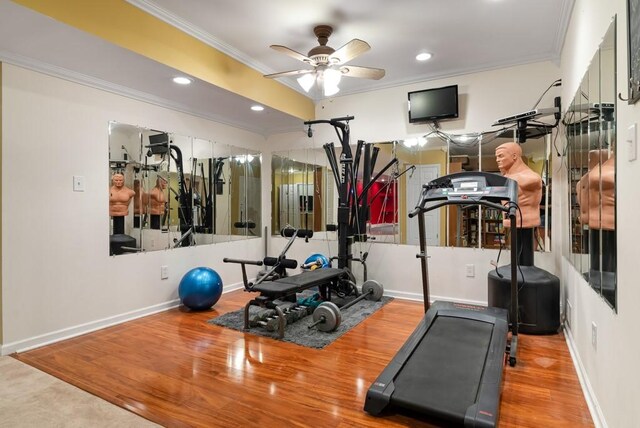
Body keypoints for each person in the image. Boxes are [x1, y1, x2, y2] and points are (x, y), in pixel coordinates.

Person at [495, 142, 542, 229]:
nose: (497, 160)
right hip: (511, 223)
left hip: (526, 223)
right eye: (497, 157)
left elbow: (535, 180)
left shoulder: (529, 177)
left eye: (501, 156)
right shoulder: (506, 177)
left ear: (514, 156)